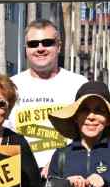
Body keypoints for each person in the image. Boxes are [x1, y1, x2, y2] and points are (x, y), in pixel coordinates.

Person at [8, 19, 87, 170]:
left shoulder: (79, 84)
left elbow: (90, 133)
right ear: (26, 49)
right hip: (22, 177)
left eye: (47, 42)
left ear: (59, 46)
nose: (40, 48)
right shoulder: (11, 86)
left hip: (67, 175)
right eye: (33, 44)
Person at [47, 81, 110, 187]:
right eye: (84, 110)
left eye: (99, 111)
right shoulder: (61, 156)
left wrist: (105, 186)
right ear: (75, 117)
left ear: (108, 119)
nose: (91, 116)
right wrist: (64, 185)